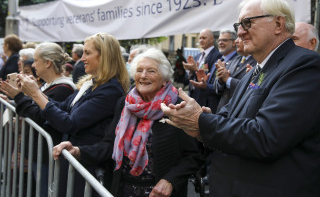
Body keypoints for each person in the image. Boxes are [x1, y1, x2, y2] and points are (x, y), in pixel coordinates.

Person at [161, 0, 320, 197]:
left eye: (247, 23)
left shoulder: (303, 65)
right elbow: (229, 119)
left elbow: (265, 137)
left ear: (279, 24)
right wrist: (200, 121)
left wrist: (201, 121)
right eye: (239, 26)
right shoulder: (257, 69)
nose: (241, 33)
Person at [52, 48, 203, 197]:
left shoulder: (177, 107)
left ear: (164, 79)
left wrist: (170, 181)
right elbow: (109, 145)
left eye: (151, 71)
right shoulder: (125, 104)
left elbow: (193, 156)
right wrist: (79, 151)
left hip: (159, 193)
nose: (143, 76)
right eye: (139, 70)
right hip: (123, 189)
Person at [17, 33, 129, 197]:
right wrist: (30, 93)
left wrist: (35, 95)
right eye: (83, 52)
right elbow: (62, 107)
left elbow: (69, 123)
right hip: (74, 163)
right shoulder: (91, 85)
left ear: (104, 56)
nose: (82, 58)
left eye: (88, 53)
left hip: (86, 166)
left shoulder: (110, 89)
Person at [0, 42, 76, 197]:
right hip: (39, 153)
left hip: (47, 156)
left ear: (47, 63)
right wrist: (15, 99)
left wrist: (20, 97)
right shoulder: (48, 85)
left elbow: (41, 116)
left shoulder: (63, 89)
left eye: (35, 61)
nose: (33, 65)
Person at [214, 36, 256, 112]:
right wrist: (220, 80)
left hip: (239, 113)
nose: (236, 41)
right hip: (222, 111)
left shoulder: (257, 62)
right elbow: (217, 88)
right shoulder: (235, 59)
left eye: (240, 37)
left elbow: (254, 88)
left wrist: (228, 80)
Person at [183, 29, 221, 109]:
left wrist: (196, 69)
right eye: (200, 38)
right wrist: (190, 71)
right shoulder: (198, 56)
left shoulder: (217, 56)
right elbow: (188, 79)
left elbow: (212, 79)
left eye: (204, 38)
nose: (201, 40)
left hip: (205, 99)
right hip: (193, 95)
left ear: (211, 39)